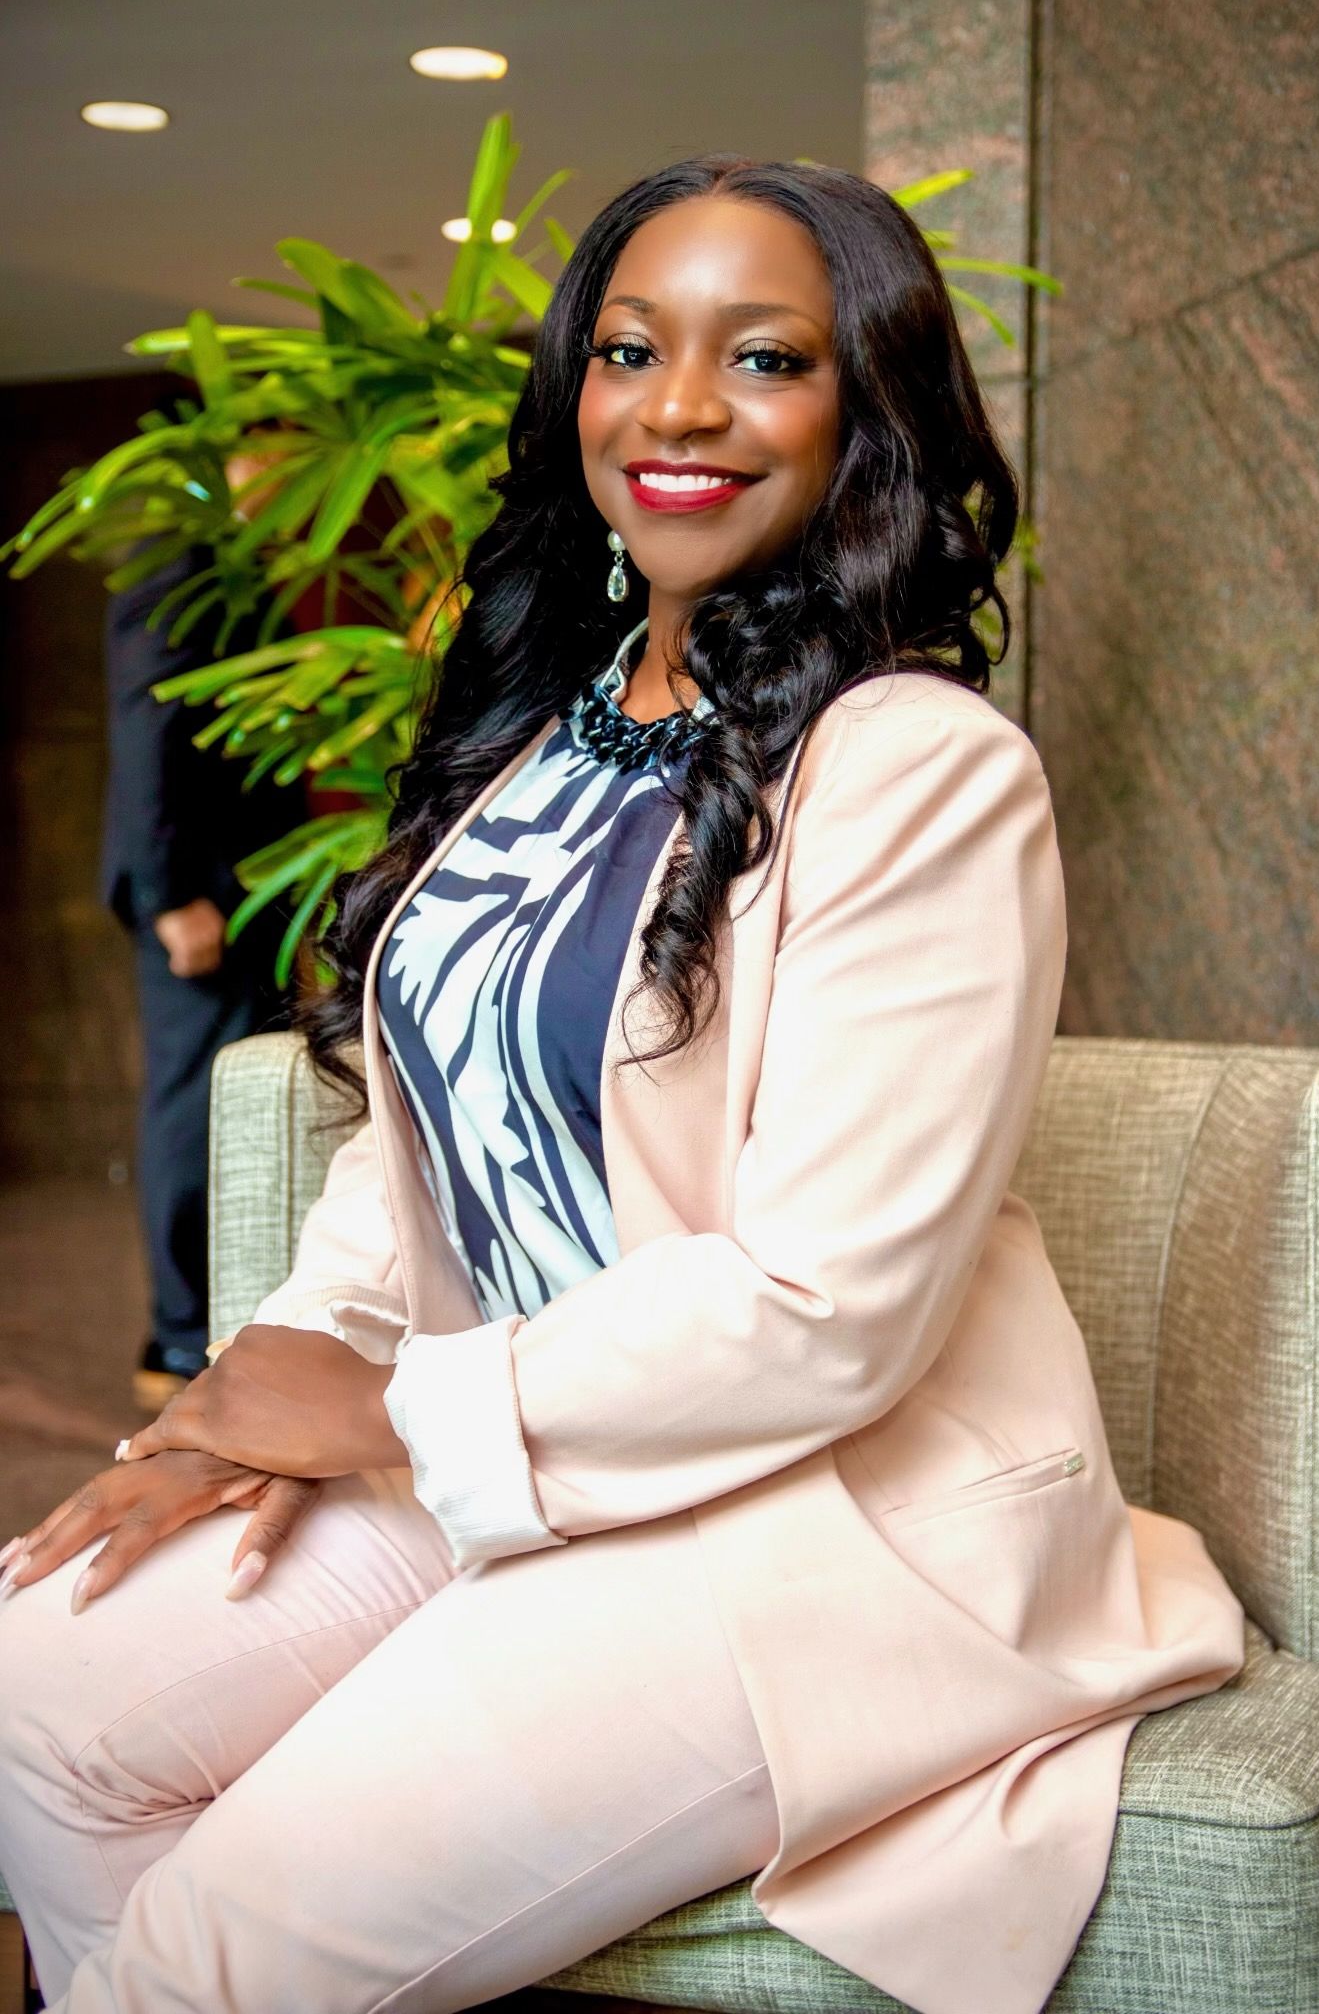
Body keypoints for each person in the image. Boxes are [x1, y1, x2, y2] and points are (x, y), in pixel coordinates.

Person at [0, 155, 1245, 2014]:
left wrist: (390, 1416)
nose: (674, 406)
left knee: (219, 1943)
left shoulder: (920, 767)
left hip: (809, 1515)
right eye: (626, 349)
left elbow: (827, 1310)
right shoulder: (543, 740)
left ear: (866, 417)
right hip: (514, 1456)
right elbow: (421, 1141)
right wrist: (276, 1381)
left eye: (762, 359)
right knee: (38, 1698)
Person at [100, 501, 302, 1406]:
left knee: (228, 1096)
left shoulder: (234, 563)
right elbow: (149, 733)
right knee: (194, 1100)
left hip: (248, 890)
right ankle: (178, 1339)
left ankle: (214, 1325)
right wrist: (169, 894)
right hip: (201, 894)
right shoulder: (181, 560)